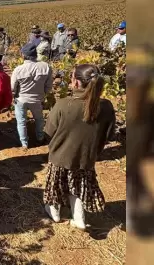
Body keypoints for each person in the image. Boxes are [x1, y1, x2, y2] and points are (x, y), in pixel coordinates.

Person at [43, 64, 116, 230]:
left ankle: (54, 212)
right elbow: (109, 135)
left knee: (57, 185)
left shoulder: (63, 104)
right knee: (77, 186)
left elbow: (49, 132)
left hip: (60, 156)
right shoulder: (106, 106)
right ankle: (79, 218)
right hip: (86, 158)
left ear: (76, 83)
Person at [11, 43, 53, 149]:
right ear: (35, 54)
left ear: (23, 55)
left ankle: (24, 143)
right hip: (37, 99)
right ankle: (40, 138)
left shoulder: (18, 69)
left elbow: (12, 88)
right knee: (39, 119)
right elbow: (49, 86)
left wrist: (13, 96)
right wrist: (43, 95)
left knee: (21, 121)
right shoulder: (46, 67)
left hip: (21, 99)